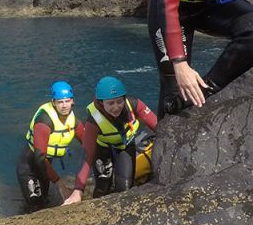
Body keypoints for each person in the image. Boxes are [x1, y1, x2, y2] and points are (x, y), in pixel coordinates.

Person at [63, 77, 157, 203]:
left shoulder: (134, 104)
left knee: (124, 187)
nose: (116, 107)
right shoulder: (94, 120)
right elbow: (87, 155)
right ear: (101, 103)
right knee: (103, 187)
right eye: (111, 103)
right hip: (102, 148)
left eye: (119, 101)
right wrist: (78, 191)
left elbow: (159, 126)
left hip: (125, 145)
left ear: (124, 98)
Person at [16, 81, 97, 212]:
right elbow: (40, 158)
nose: (64, 106)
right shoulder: (44, 121)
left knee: (45, 201)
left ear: (72, 102)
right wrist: (59, 183)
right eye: (60, 102)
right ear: (53, 103)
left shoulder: (74, 122)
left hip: (45, 168)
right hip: (30, 167)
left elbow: (89, 144)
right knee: (35, 206)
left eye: (67, 101)